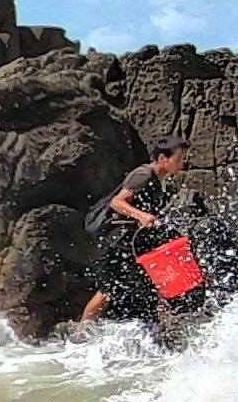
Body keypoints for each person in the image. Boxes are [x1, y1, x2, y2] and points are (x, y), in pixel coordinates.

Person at [79, 135, 190, 324]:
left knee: (149, 285)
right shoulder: (144, 174)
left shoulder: (160, 180)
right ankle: (81, 331)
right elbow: (117, 202)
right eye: (179, 158)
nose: (183, 162)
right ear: (163, 159)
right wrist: (141, 216)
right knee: (107, 291)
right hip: (117, 243)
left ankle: (159, 326)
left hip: (133, 245)